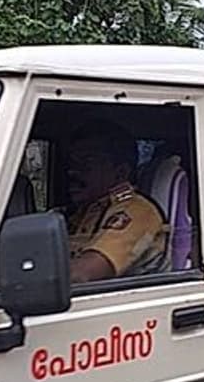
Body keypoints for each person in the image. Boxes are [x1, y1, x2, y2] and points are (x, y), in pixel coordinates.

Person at [61, 120, 167, 284]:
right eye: (72, 163)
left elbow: (81, 275)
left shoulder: (137, 211)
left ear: (120, 173)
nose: (72, 172)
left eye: (87, 163)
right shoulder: (80, 213)